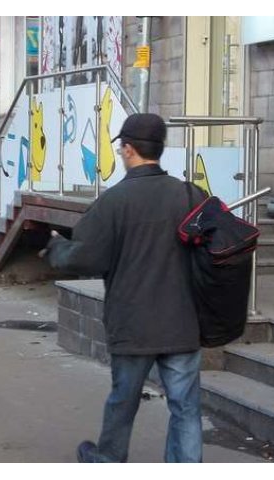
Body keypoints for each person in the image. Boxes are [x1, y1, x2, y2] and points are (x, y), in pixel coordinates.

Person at [44, 113, 207, 463]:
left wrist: (56, 247)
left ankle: (108, 461)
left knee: (123, 400)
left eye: (121, 148)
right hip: (182, 319)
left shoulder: (114, 202)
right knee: (186, 408)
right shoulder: (191, 195)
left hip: (133, 323)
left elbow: (86, 257)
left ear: (129, 149)